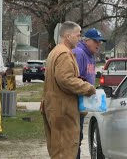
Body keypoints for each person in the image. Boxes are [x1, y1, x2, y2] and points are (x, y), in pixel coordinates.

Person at [41, 21, 96, 158]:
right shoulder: (64, 54)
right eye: (77, 35)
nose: (80, 38)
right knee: (65, 149)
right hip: (63, 110)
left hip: (55, 107)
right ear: (67, 36)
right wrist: (87, 88)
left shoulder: (55, 52)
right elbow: (65, 79)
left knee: (57, 148)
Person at [72, 28, 106, 159]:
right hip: (73, 105)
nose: (99, 44)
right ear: (87, 40)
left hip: (82, 106)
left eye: (100, 42)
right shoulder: (79, 53)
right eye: (96, 41)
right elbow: (74, 79)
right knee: (73, 140)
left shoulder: (91, 56)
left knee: (78, 138)